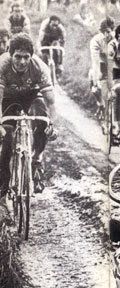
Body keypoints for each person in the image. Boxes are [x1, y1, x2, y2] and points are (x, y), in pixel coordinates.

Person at [0, 33, 56, 196]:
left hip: (32, 96)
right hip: (8, 99)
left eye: (26, 57)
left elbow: (51, 102)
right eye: (18, 57)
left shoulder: (39, 67)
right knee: (7, 134)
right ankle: (4, 179)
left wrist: (52, 125)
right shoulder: (2, 65)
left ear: (31, 56)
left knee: (43, 119)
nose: (22, 62)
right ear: (10, 55)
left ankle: (37, 159)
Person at [90, 17, 115, 133]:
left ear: (112, 30)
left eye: (109, 31)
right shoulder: (96, 41)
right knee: (95, 82)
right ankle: (101, 103)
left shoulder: (116, 39)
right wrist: (97, 79)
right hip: (101, 64)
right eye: (103, 31)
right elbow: (95, 61)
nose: (106, 34)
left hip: (115, 65)